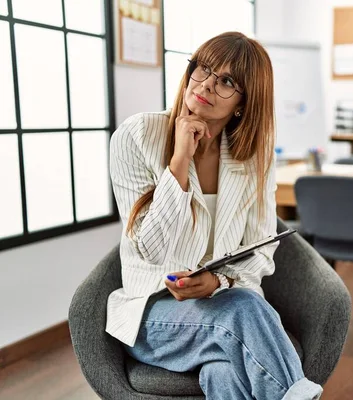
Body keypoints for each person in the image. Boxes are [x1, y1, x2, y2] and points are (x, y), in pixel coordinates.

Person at [105, 31, 323, 399]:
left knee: (223, 373)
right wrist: (178, 163)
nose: (206, 83)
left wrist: (219, 283)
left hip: (221, 308)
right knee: (243, 309)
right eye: (202, 69)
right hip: (153, 316)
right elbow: (151, 251)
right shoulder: (137, 136)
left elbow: (260, 249)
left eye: (226, 81)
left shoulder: (255, 156)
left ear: (242, 102)